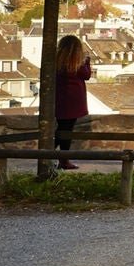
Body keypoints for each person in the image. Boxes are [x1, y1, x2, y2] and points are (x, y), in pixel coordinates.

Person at [52, 34, 92, 170]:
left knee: (62, 128)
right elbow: (87, 75)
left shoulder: (57, 62)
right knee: (66, 131)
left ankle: (50, 154)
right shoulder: (76, 63)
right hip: (73, 101)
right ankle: (62, 159)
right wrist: (87, 61)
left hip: (59, 100)